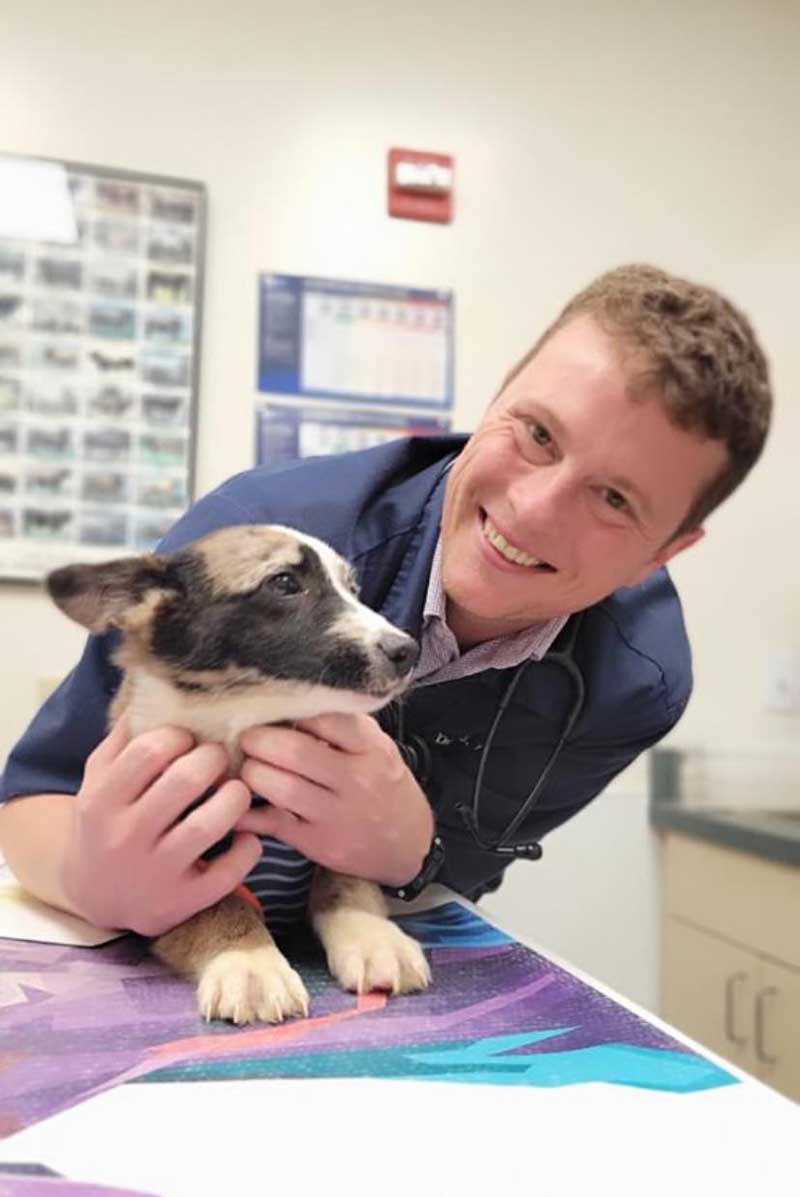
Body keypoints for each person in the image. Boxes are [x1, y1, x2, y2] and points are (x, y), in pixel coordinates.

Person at [0, 263, 772, 942]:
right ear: (502, 390)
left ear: (667, 551)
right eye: (537, 433)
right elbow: (32, 797)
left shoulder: (634, 686)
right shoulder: (260, 536)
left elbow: (455, 881)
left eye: (612, 498)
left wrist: (413, 851)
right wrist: (87, 873)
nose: (534, 511)